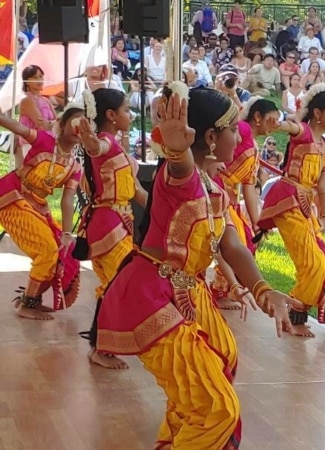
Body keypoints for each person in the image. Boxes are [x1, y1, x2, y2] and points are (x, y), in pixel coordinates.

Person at [96, 84, 296, 449]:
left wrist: (263, 289)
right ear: (210, 137)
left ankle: (174, 440)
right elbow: (180, 164)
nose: (240, 137)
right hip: (151, 296)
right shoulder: (182, 180)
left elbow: (231, 244)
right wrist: (176, 147)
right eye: (234, 129)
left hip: (186, 289)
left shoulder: (214, 187)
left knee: (223, 358)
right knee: (216, 407)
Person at [257, 83, 325, 337]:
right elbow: (290, 126)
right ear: (317, 114)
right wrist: (278, 121)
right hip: (288, 199)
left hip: (307, 206)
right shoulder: (303, 132)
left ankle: (296, 313)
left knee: (321, 264)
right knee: (312, 263)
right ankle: (294, 313)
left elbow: (323, 184)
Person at [76, 88, 148, 369]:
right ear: (110, 115)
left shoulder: (117, 145)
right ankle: (100, 347)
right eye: (126, 109)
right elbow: (97, 148)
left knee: (118, 285)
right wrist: (91, 141)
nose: (130, 114)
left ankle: (101, 344)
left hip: (121, 222)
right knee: (118, 285)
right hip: (108, 224)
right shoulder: (105, 141)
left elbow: (138, 190)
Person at [0, 104, 84, 320]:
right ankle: (27, 303)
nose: (78, 128)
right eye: (75, 122)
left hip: (36, 206)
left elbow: (67, 200)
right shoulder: (44, 140)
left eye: (84, 125)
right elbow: (17, 127)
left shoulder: (75, 167)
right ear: (63, 125)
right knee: (47, 249)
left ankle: (32, 298)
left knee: (58, 251)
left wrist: (67, 234)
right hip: (12, 196)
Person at [210, 98, 281, 309]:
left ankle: (229, 289)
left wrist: (258, 222)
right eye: (272, 120)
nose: (275, 125)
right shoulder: (242, 129)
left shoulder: (255, 146)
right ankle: (224, 290)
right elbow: (215, 143)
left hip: (229, 197)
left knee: (247, 242)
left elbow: (249, 186)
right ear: (257, 117)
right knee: (235, 243)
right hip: (216, 188)